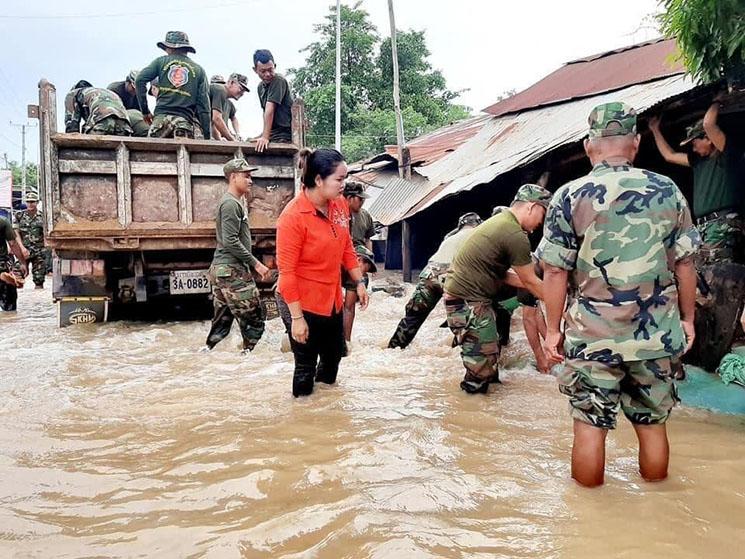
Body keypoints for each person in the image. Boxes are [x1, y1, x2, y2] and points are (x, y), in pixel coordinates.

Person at [539, 102, 700, 488]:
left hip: (592, 336)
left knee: (590, 427)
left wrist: (552, 330)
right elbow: (686, 263)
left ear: (588, 145)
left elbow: (555, 270)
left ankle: (589, 522)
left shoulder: (568, 195)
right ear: (636, 143)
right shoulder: (667, 190)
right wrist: (688, 319)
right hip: (656, 334)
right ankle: (659, 515)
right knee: (653, 425)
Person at [276, 148, 368, 397]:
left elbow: (346, 245)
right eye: (339, 179)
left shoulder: (339, 205)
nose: (344, 185)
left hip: (331, 301)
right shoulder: (293, 218)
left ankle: (326, 419)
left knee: (332, 360)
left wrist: (358, 280)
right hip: (300, 302)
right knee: (305, 367)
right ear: (318, 180)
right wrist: (297, 319)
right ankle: (304, 424)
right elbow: (287, 273)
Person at [443, 184, 549, 394]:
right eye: (542, 214)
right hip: (469, 303)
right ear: (532, 207)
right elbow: (530, 282)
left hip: (467, 300)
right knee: (480, 373)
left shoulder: (501, 224)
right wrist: (559, 302)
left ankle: (481, 417)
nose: (541, 223)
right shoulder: (514, 234)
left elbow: (506, 276)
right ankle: (469, 418)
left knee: (489, 365)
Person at [648, 93, 744, 266]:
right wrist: (655, 129)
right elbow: (669, 155)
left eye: (694, 142)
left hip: (722, 223)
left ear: (708, 139)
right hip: (704, 227)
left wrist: (716, 101)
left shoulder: (725, 154)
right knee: (700, 270)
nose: (693, 148)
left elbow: (708, 124)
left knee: (719, 270)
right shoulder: (699, 163)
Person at [204, 158, 271, 353]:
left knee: (223, 319)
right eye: (246, 176)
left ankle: (209, 351)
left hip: (224, 270)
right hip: (232, 270)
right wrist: (256, 264)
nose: (250, 180)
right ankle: (249, 359)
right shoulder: (230, 204)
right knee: (254, 319)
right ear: (233, 177)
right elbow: (230, 240)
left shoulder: (235, 202)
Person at [388, 212, 483, 349]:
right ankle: (460, 357)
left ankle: (393, 349)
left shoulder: (450, 238)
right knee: (463, 324)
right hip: (451, 274)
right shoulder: (479, 235)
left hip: (429, 272)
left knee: (413, 317)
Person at [135, 31, 211, 139]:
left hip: (160, 121)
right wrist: (207, 136)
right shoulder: (199, 71)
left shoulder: (160, 62)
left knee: (152, 153)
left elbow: (139, 80)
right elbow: (204, 107)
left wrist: (145, 111)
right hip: (183, 123)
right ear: (186, 49)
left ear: (170, 48)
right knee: (182, 154)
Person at [342, 180, 376, 345]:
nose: (362, 201)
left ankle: (345, 342)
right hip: (338, 260)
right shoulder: (338, 213)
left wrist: (370, 260)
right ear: (349, 198)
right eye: (359, 198)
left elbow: (368, 239)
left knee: (349, 304)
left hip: (358, 261)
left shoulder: (365, 215)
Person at [253, 49, 294, 152]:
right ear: (255, 70)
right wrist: (264, 134)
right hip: (273, 132)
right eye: (263, 71)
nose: (267, 74)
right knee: (250, 142)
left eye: (270, 70)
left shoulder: (278, 80)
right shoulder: (260, 87)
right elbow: (265, 112)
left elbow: (270, 108)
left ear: (274, 66)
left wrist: (265, 137)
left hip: (284, 133)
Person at [64, 80, 133, 135]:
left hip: (101, 121)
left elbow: (72, 126)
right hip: (124, 124)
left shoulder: (73, 94)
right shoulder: (101, 92)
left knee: (88, 151)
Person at [14, 191, 46, 289]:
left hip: (39, 250)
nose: (30, 204)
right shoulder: (19, 215)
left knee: (39, 279)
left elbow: (46, 233)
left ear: (36, 202)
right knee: (17, 274)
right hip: (24, 250)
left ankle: (38, 300)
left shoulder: (43, 216)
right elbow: (16, 233)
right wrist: (22, 248)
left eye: (32, 202)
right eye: (28, 202)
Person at [210, 73, 249, 141]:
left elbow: (213, 123)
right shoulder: (220, 90)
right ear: (231, 82)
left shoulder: (226, 100)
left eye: (244, 91)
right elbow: (216, 119)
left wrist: (219, 139)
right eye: (241, 89)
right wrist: (232, 140)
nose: (242, 93)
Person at [0, 215, 28, 312]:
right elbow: (12, 243)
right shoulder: (3, 221)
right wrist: (22, 262)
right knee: (9, 309)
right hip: (1, 267)